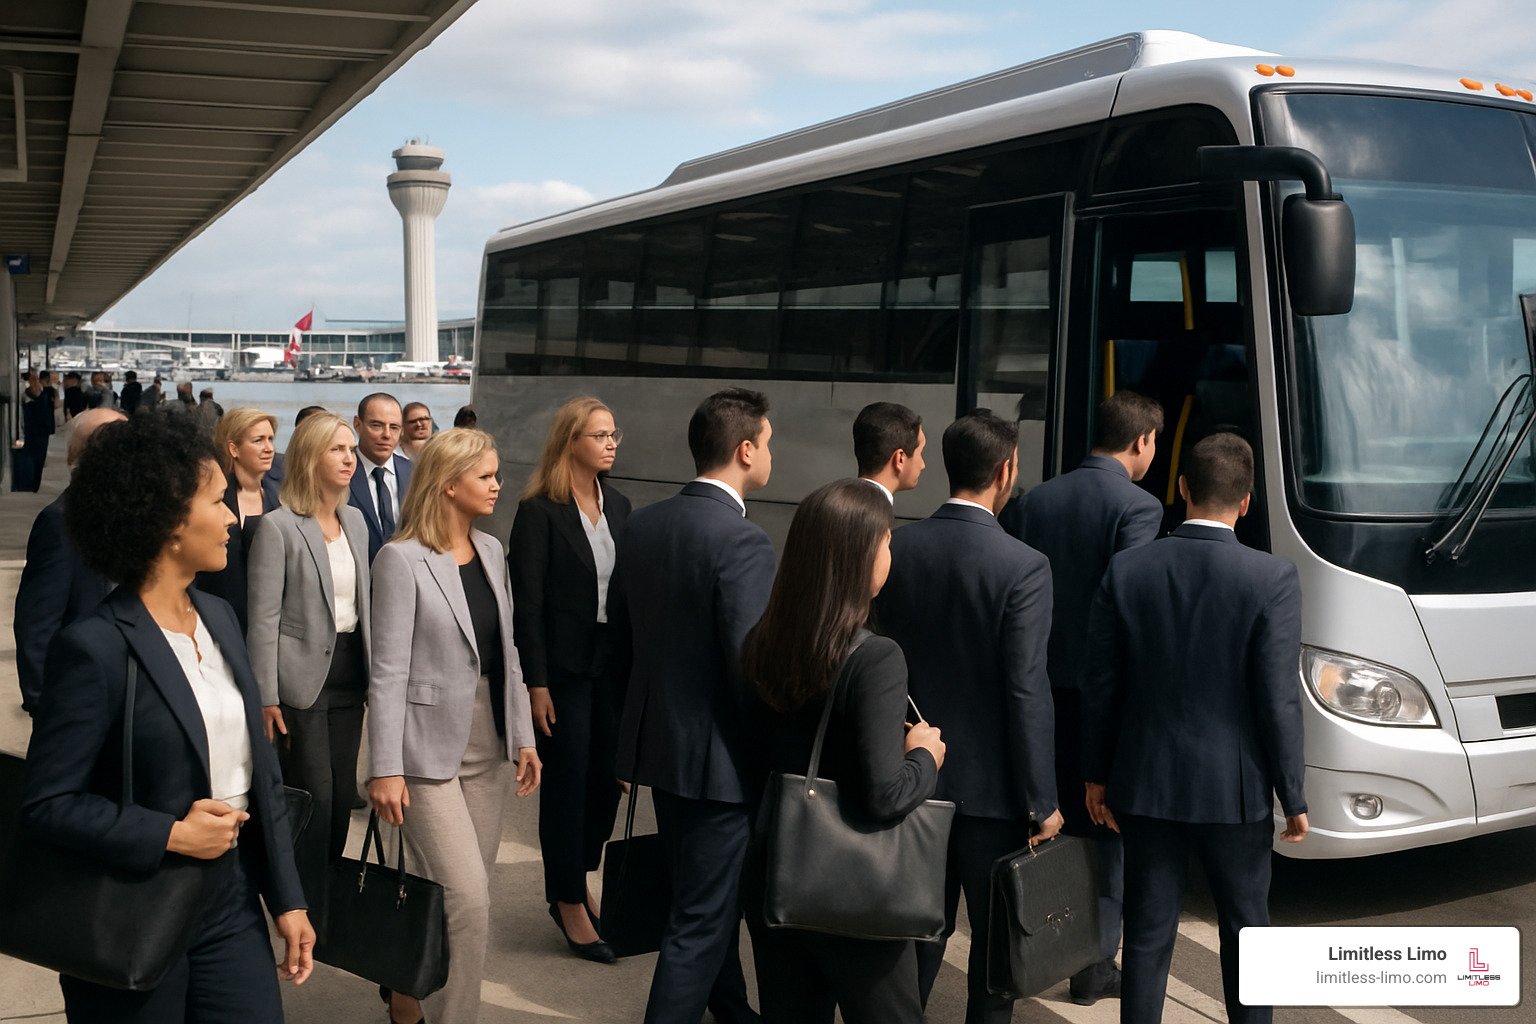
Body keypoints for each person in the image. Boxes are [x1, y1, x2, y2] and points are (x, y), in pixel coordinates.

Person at [20, 412, 314, 1022]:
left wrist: (287, 898)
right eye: (217, 501)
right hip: (134, 903)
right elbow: (47, 803)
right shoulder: (94, 646)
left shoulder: (220, 617)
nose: (233, 516)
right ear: (169, 521)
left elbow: (259, 776)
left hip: (230, 898)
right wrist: (171, 834)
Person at [1081, 433, 1308, 1024]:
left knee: (1149, 936)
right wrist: (1293, 793)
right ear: (1248, 501)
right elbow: (1277, 697)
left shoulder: (1128, 569)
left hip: (1146, 783)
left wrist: (1095, 776)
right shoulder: (1272, 578)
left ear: (1181, 489)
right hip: (1234, 793)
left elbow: (1102, 685)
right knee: (1247, 936)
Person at [873, 409, 1062, 1024]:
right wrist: (1041, 801)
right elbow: (1026, 691)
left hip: (913, 775)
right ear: (1006, 471)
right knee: (994, 957)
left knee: (918, 938)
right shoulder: (1024, 566)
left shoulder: (898, 544)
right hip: (992, 794)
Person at [741, 479, 946, 1024]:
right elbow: (884, 793)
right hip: (855, 884)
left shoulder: (765, 638)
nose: (891, 555)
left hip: (779, 874)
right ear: (859, 556)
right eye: (886, 541)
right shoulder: (876, 658)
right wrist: (925, 755)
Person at [610, 387, 777, 1024]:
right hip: (721, 765)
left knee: (702, 901)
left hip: (662, 748)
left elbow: (623, 639)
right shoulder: (743, 541)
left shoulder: (644, 523)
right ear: (744, 449)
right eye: (768, 442)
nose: (771, 453)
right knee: (701, 922)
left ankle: (733, 1011)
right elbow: (749, 671)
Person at [367, 427, 542, 1024]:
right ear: (448, 484)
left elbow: (509, 652)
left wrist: (522, 735)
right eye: (486, 476)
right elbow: (387, 672)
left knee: (453, 895)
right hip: (422, 755)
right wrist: (385, 767)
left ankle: (406, 994)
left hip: (488, 743)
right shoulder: (399, 559)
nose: (499, 484)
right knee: (467, 900)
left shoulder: (492, 551)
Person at [1003, 389, 1164, 1005]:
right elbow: (1128, 613)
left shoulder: (1035, 500)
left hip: (1036, 688)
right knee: (1105, 833)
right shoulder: (1139, 508)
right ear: (1142, 441)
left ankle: (1041, 944)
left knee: (1049, 823)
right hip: (1098, 697)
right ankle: (1094, 968)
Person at [509, 397, 631, 963]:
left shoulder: (622, 506)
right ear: (571, 441)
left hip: (613, 667)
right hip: (562, 672)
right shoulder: (539, 510)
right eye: (599, 434)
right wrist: (536, 684)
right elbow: (527, 607)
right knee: (568, 786)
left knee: (608, 782)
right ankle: (566, 899)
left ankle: (578, 876)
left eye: (614, 434)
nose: (610, 443)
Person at [247, 412, 371, 911]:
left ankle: (321, 892)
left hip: (351, 675)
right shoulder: (278, 528)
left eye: (350, 450)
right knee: (315, 796)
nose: (349, 458)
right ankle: (303, 905)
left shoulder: (357, 522)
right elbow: (262, 618)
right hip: (301, 682)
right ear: (309, 458)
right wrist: (266, 697)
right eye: (337, 449)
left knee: (344, 800)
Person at [14, 407, 125, 713]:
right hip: (83, 697)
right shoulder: (60, 522)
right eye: (115, 440)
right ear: (81, 453)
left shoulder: (138, 516)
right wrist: (46, 707)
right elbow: (36, 624)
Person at [193, 408, 280, 632]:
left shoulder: (283, 498)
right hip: (219, 621)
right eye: (258, 440)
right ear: (233, 448)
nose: (269, 448)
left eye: (271, 439)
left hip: (272, 625)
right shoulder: (211, 498)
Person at [348, 393, 412, 562]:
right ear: (357, 424)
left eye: (394, 427)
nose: (387, 435)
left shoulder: (415, 473)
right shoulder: (341, 472)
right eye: (377, 425)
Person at [853, 401, 926, 503]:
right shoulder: (878, 513)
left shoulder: (829, 501)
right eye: (920, 452)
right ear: (900, 459)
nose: (923, 465)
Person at [20, 369, 55, 491]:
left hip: (39, 430)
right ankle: (32, 484)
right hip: (35, 430)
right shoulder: (27, 393)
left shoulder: (44, 392)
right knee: (35, 458)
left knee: (38, 458)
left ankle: (33, 484)